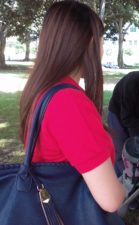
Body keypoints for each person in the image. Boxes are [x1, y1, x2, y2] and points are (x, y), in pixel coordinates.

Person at [19, 1, 125, 215]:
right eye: (103, 42)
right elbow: (111, 200)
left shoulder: (42, 89)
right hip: (70, 212)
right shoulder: (68, 102)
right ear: (89, 43)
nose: (103, 51)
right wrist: (122, 187)